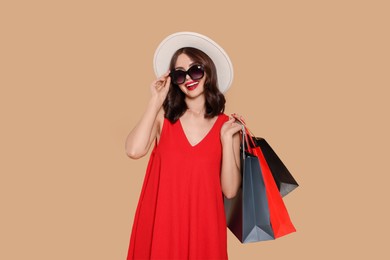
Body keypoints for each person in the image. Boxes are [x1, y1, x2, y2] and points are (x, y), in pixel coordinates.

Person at [125, 32, 242, 260]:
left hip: (205, 233)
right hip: (162, 228)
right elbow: (133, 150)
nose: (189, 78)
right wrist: (155, 101)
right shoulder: (163, 118)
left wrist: (227, 140)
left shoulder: (226, 127)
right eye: (180, 74)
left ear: (208, 71)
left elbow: (229, 190)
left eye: (195, 69)